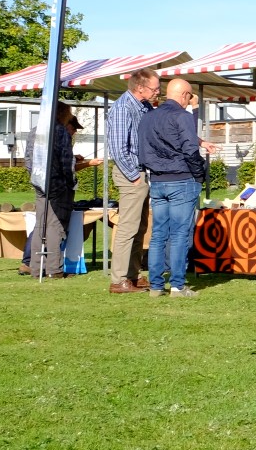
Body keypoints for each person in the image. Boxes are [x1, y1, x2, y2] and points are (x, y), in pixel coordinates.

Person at [139, 78, 210, 296]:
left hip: (158, 180)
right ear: (185, 95)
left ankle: (157, 285)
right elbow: (190, 149)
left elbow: (143, 150)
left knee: (158, 234)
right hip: (182, 179)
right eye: (189, 97)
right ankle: (178, 285)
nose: (189, 102)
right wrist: (199, 175)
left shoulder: (148, 117)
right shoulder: (183, 116)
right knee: (180, 233)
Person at [24, 101, 95, 279]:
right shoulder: (60, 131)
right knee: (55, 227)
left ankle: (36, 268)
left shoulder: (35, 131)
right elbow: (66, 162)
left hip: (39, 184)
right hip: (58, 185)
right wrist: (71, 182)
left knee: (41, 225)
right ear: (62, 114)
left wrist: (35, 178)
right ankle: (54, 269)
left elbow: (27, 160)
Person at [106, 68, 160, 292]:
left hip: (141, 172)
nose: (158, 92)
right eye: (154, 88)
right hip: (131, 174)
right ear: (139, 88)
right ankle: (118, 280)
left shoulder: (144, 106)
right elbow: (118, 149)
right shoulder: (122, 108)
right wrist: (135, 177)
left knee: (140, 227)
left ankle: (132, 275)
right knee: (128, 228)